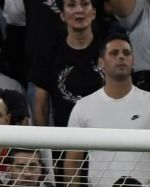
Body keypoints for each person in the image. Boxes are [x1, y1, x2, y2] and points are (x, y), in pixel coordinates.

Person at [64, 34, 150, 187]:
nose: (121, 57)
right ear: (101, 62)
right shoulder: (83, 107)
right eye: (114, 53)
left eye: (126, 53)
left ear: (133, 60)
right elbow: (72, 162)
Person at [29, 0, 102, 128]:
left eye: (85, 4)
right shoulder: (48, 52)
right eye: (71, 5)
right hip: (64, 139)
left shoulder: (108, 49)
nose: (79, 10)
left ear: (94, 13)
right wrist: (44, 147)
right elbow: (41, 106)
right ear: (62, 15)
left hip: (105, 137)